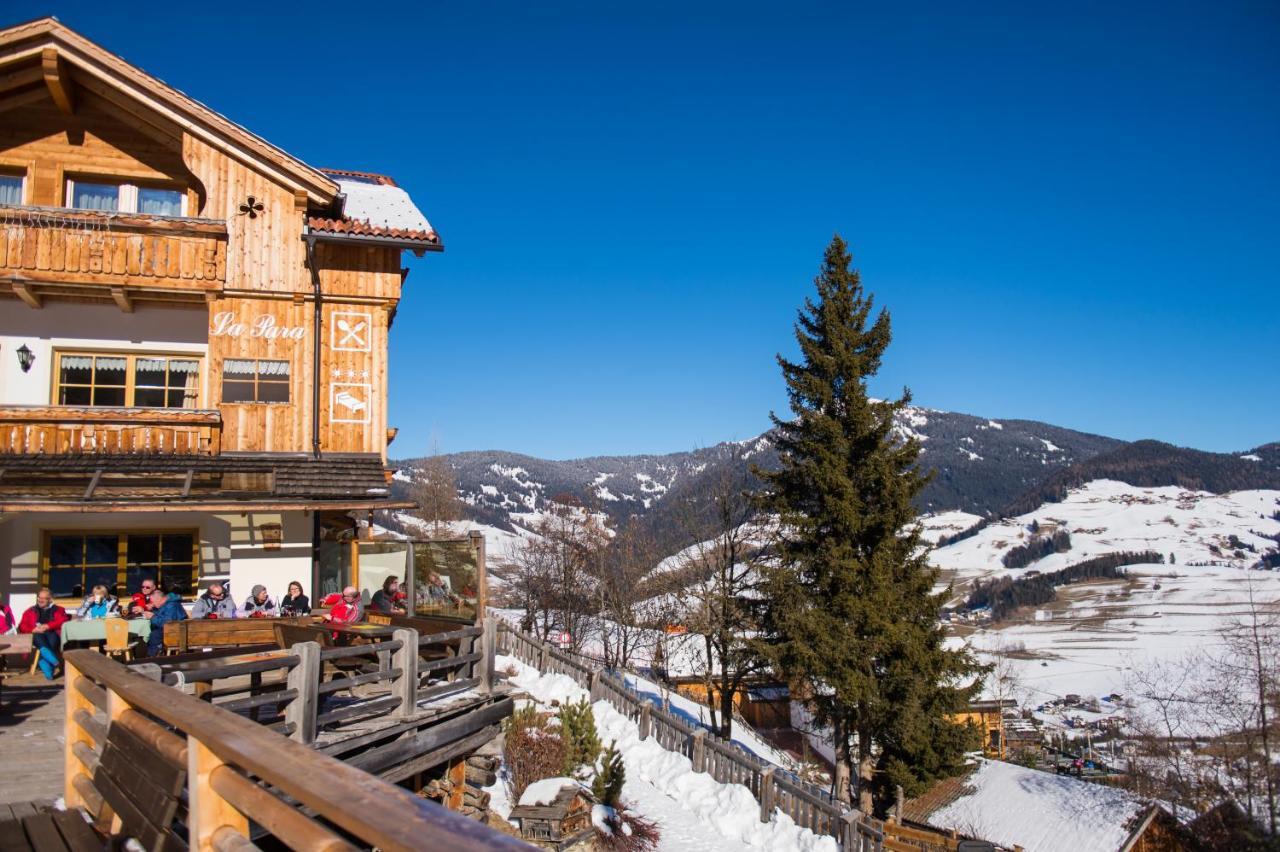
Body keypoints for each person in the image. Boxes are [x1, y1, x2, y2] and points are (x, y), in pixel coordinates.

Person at [19, 588, 69, 679]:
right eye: (39, 598)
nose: (40, 600)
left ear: (50, 600)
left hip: (52, 632)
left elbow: (63, 620)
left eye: (44, 598)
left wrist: (48, 626)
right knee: (38, 636)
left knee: (52, 639)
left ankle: (45, 661)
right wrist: (33, 629)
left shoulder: (58, 609)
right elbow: (22, 625)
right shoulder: (30, 611)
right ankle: (52, 662)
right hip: (36, 634)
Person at [145, 588, 186, 657]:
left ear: (159, 599)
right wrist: (153, 609)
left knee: (155, 635)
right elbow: (162, 616)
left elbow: (167, 623)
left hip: (177, 631)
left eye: (153, 602)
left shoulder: (172, 605)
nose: (152, 604)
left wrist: (153, 617)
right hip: (173, 629)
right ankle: (153, 654)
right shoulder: (166, 604)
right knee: (151, 631)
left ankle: (153, 656)